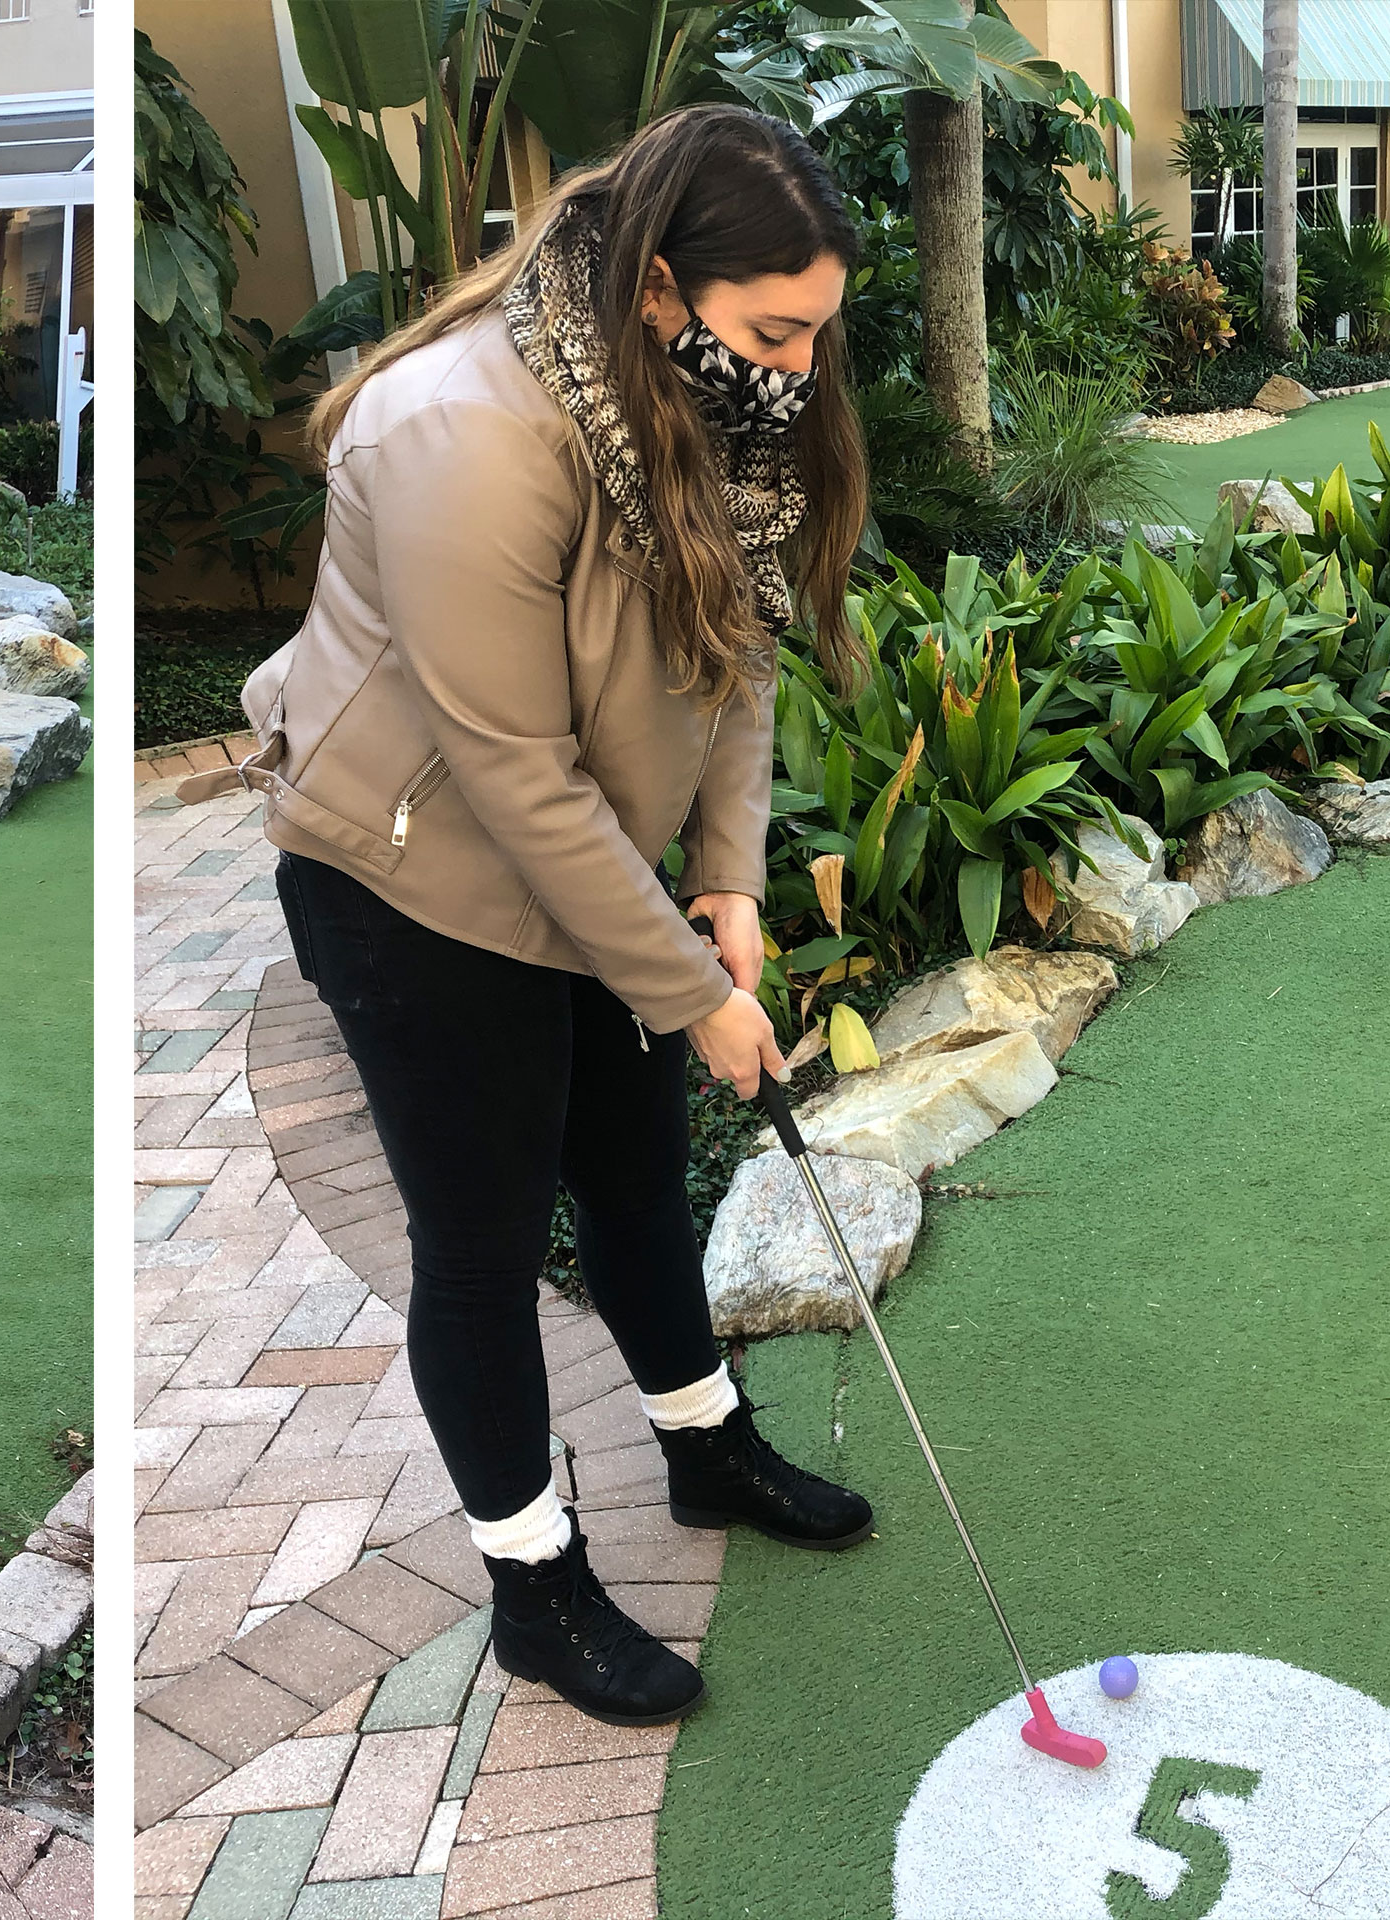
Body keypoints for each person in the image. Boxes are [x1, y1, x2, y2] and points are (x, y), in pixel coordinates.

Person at [185, 105, 879, 1728]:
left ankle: (704, 1449)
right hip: (411, 886)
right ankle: (531, 1578)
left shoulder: (717, 401)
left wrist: (724, 884)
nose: (796, 365)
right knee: (485, 1246)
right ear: (658, 288)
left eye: (816, 333)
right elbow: (507, 767)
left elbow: (738, 652)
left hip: (592, 860)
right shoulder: (457, 434)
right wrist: (687, 987)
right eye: (774, 330)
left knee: (636, 1177)